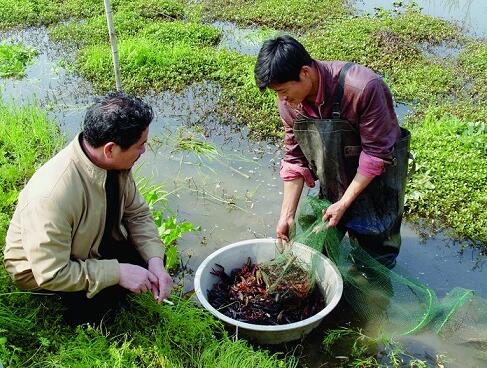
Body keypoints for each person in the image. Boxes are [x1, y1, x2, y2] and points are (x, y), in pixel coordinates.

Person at [4, 92, 173, 324]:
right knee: (101, 309)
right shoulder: (52, 195)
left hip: (88, 244)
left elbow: (137, 214)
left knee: (148, 263)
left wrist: (155, 260)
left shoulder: (115, 164)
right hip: (46, 272)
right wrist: (117, 273)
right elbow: (51, 273)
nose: (144, 152)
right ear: (110, 149)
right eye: (140, 145)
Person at [254, 35, 410, 268]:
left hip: (378, 185)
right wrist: (287, 215)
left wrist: (344, 203)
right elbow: (295, 159)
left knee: (374, 263)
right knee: (314, 253)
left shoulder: (364, 88)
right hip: (334, 181)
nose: (281, 99)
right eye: (276, 93)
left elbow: (376, 155)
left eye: (283, 90)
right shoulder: (289, 102)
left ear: (305, 73)